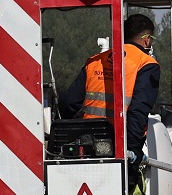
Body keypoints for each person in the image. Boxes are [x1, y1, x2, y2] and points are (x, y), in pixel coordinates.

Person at [61, 12, 161, 158]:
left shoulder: (95, 61)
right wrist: (133, 150)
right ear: (146, 39)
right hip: (119, 145)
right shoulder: (147, 64)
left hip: (86, 143)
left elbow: (69, 103)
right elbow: (138, 110)